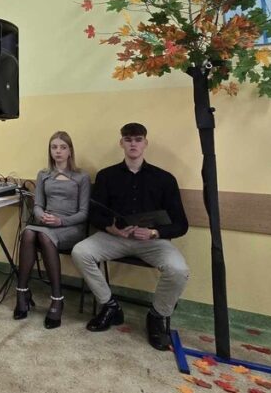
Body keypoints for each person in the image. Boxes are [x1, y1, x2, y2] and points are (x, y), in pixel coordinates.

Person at [71, 122, 190, 350]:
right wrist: (110, 228)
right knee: (80, 252)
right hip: (115, 238)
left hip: (153, 242)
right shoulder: (106, 176)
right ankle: (109, 306)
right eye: (128, 139)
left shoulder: (165, 179)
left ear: (145, 143)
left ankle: (157, 316)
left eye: (137, 139)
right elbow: (94, 213)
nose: (133, 144)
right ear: (121, 143)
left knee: (179, 270)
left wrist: (155, 232)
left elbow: (181, 224)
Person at [14, 131, 89, 329]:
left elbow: (84, 213)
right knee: (28, 232)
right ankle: (22, 291)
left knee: (44, 237)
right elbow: (38, 204)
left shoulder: (81, 176)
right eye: (54, 147)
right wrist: (41, 216)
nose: (58, 151)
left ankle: (57, 298)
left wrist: (60, 221)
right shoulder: (44, 174)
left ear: (70, 151)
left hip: (71, 227)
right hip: (45, 225)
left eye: (63, 147)